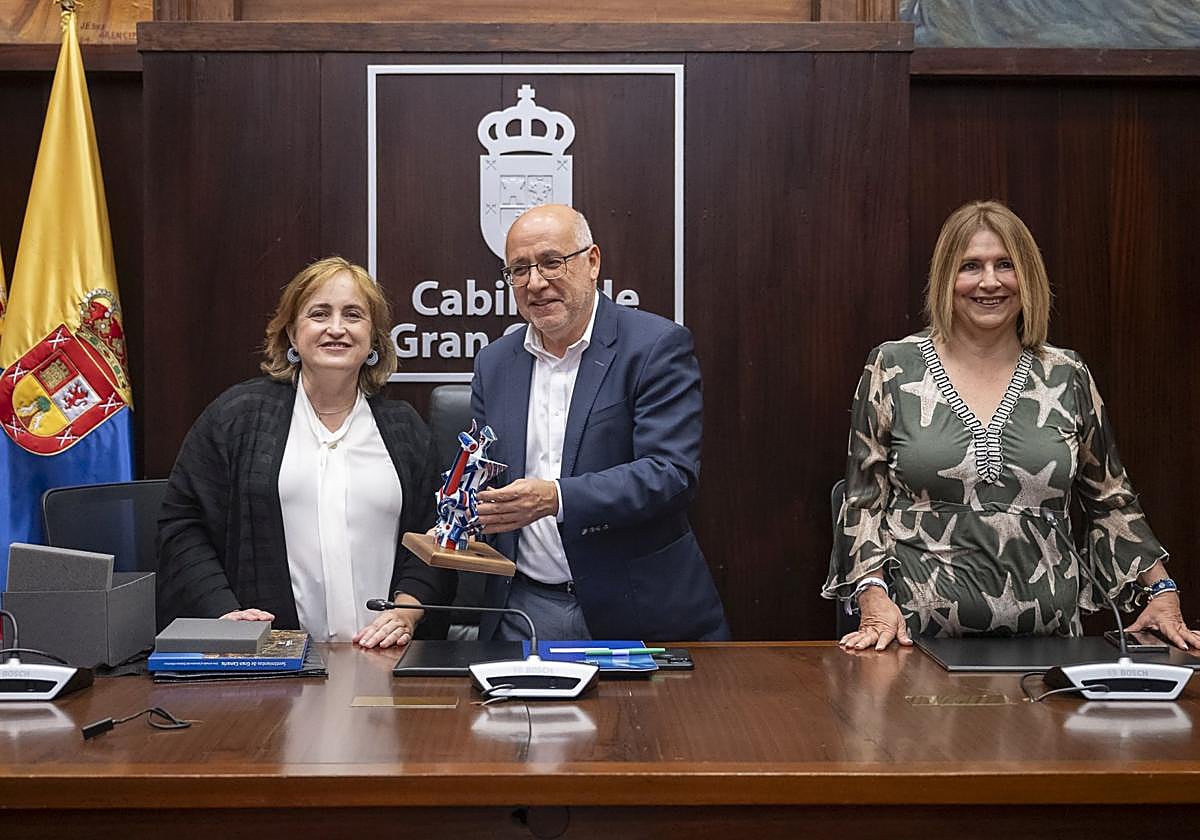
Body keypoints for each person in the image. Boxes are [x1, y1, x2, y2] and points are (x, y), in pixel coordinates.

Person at [823, 200, 1200, 652]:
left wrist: (1161, 593)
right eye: (970, 266)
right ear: (946, 278)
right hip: (913, 641)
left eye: (1006, 265)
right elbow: (863, 499)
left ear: (1028, 277)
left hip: (1050, 644)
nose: (989, 281)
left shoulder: (1066, 374)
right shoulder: (893, 367)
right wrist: (872, 596)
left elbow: (1109, 499)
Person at [381, 204, 728, 642]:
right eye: (519, 270)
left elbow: (671, 474)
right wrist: (461, 514)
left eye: (551, 262)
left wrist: (555, 497)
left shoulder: (655, 347)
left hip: (636, 610)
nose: (536, 283)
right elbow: (485, 470)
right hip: (523, 609)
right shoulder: (496, 363)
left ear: (593, 261)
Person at [156, 256, 451, 647]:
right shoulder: (238, 416)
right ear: (292, 334)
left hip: (384, 659)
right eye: (319, 313)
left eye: (353, 315)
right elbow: (183, 524)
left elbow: (440, 534)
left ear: (374, 339)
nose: (336, 328)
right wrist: (225, 614)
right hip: (268, 662)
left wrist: (407, 614)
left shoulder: (405, 428)